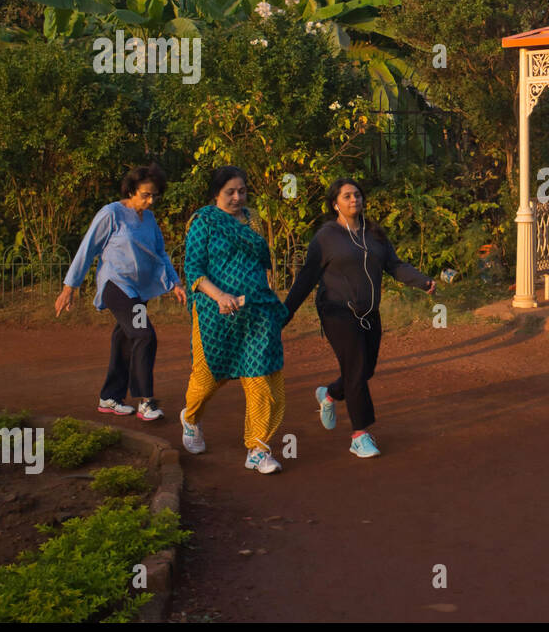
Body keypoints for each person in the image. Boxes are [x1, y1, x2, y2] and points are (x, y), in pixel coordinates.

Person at [283, 178, 434, 458]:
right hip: (336, 310)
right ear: (335, 204)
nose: (354, 200)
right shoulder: (326, 236)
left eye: (357, 195)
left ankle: (329, 394)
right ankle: (359, 434)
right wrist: (285, 313)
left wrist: (422, 281)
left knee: (366, 369)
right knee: (356, 368)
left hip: (368, 312)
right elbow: (307, 277)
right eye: (347, 196)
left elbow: (394, 265)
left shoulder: (374, 233)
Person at [177, 167, 290, 474]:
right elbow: (194, 271)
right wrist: (220, 296)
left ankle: (258, 448)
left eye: (242, 190)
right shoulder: (204, 222)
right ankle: (190, 417)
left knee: (261, 377)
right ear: (216, 194)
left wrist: (265, 291)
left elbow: (260, 261)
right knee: (210, 376)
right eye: (230, 192)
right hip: (216, 313)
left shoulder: (251, 219)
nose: (238, 197)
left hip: (255, 310)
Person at [56, 164, 187, 420]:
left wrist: (175, 283)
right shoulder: (111, 213)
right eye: (145, 195)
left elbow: (160, 252)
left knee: (125, 340)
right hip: (116, 285)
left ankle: (110, 397)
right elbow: (88, 248)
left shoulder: (148, 219)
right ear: (131, 190)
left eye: (154, 196)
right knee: (144, 335)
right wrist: (70, 287)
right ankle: (146, 401)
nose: (150, 201)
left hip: (139, 291)